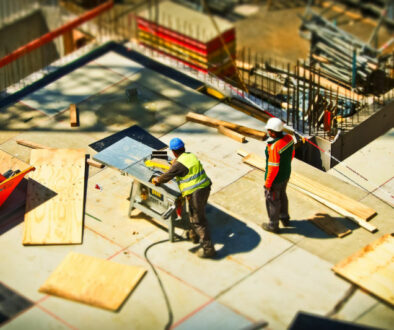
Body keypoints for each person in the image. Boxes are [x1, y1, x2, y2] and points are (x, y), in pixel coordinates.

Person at [152, 137, 216, 258]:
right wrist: (175, 163)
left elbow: (166, 177)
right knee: (194, 214)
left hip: (196, 193)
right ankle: (195, 235)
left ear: (173, 151)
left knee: (198, 221)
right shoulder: (190, 156)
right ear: (183, 148)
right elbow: (182, 166)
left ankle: (208, 249)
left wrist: (157, 180)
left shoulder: (178, 165)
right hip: (205, 187)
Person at [261, 117, 295, 233]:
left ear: (272, 132)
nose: (268, 132)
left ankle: (273, 226)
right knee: (283, 196)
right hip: (285, 175)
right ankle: (285, 218)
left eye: (269, 130)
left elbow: (273, 167)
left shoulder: (275, 146)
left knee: (273, 201)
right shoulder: (289, 139)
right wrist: (285, 167)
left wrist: (268, 183)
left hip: (275, 180)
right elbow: (292, 153)